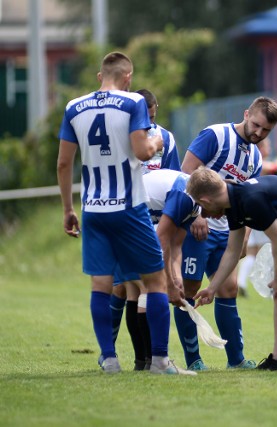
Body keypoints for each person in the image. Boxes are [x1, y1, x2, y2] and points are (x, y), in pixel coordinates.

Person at [57, 51, 193, 375]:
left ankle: (109, 358)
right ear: (128, 77)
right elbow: (142, 150)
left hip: (93, 208)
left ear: (99, 76)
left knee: (101, 285)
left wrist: (67, 209)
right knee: (155, 281)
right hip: (130, 206)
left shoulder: (73, 107)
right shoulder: (132, 103)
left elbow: (64, 163)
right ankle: (159, 359)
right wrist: (157, 141)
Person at [190, 170, 277, 371]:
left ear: (205, 200)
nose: (205, 215)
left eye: (202, 208)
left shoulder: (250, 199)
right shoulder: (233, 203)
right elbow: (233, 251)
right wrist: (212, 288)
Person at [179, 96, 277, 370]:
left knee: (229, 288)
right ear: (247, 114)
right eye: (256, 125)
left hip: (227, 231)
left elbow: (247, 199)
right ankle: (193, 359)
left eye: (266, 131)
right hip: (197, 227)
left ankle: (235, 359)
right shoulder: (216, 135)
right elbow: (185, 173)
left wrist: (245, 234)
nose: (258, 133)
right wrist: (196, 215)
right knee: (188, 289)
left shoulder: (256, 157)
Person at [110, 88, 182, 370]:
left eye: (152, 118)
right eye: (144, 118)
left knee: (139, 288)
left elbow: (173, 177)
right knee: (127, 288)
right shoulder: (119, 137)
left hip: (157, 217)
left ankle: (144, 360)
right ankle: (129, 355)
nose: (148, 125)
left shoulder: (166, 137)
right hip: (126, 215)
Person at [236, 138, 277, 298]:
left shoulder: (249, 164)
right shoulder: (260, 164)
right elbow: (274, 167)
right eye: (266, 145)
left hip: (249, 211)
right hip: (261, 211)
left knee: (252, 251)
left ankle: (241, 281)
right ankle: (270, 285)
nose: (268, 148)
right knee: (268, 249)